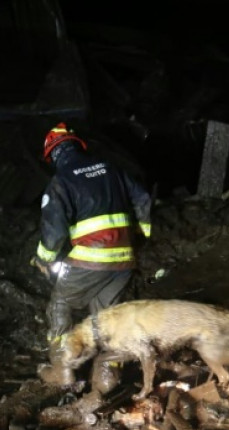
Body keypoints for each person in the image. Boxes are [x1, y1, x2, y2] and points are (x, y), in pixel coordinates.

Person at [32, 122, 152, 357]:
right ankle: (110, 368)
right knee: (106, 318)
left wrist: (42, 259)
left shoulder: (61, 182)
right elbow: (143, 198)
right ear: (78, 147)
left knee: (60, 302)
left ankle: (61, 363)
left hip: (92, 258)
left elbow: (54, 230)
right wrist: (140, 234)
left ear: (53, 155)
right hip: (124, 259)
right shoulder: (110, 168)